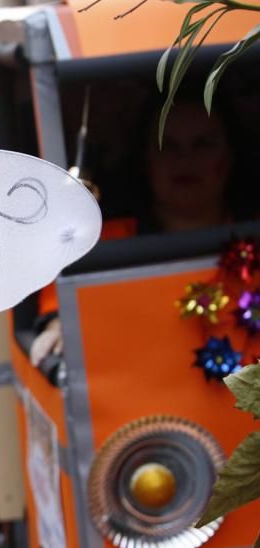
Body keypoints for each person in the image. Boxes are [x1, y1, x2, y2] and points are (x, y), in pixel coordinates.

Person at [30, 93, 245, 366]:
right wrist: (57, 326)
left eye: (203, 144)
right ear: (147, 159)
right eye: (167, 145)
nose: (185, 159)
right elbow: (60, 302)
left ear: (229, 156)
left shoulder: (253, 241)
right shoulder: (100, 243)